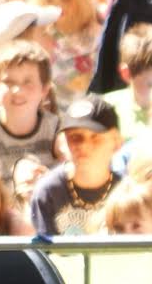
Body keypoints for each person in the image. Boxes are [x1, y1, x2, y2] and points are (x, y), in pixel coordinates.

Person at [0, 41, 60, 191]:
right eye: (8, 82)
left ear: (44, 90)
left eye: (28, 82)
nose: (17, 91)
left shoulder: (56, 128)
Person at [29, 95, 125, 235]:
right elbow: (43, 247)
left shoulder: (126, 191)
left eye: (95, 137)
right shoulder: (48, 192)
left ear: (117, 142)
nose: (83, 145)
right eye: (74, 137)